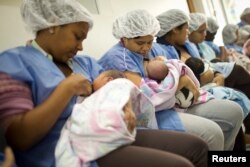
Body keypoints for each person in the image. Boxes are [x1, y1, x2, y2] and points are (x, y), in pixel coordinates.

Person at [0, 0, 209, 167]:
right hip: (63, 149)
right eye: (77, 36)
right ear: (53, 25)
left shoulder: (86, 63)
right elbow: (20, 137)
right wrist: (66, 89)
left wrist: (125, 107)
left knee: (197, 147)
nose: (81, 47)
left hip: (108, 132)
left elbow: (117, 89)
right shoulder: (15, 63)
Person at [98, 9, 242, 151]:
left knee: (234, 111)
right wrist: (181, 82)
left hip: (173, 103)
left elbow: (175, 67)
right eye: (140, 42)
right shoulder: (117, 57)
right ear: (123, 38)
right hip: (150, 114)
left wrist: (183, 76)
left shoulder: (154, 49)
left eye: (150, 42)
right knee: (213, 133)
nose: (146, 48)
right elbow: (145, 96)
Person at [155, 9, 244, 150]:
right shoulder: (159, 51)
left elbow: (203, 64)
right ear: (174, 30)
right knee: (228, 111)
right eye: (186, 29)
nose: (188, 33)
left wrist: (216, 74)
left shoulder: (189, 45)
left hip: (202, 87)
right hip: (185, 97)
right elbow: (171, 80)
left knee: (235, 108)